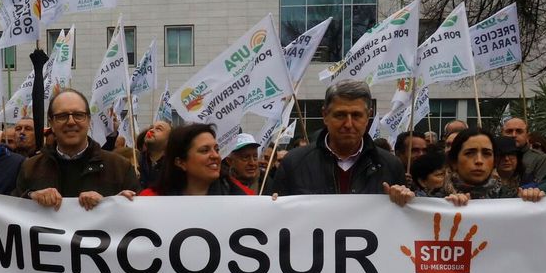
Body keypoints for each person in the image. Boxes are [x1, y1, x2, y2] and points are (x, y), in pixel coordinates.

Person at [267, 81, 412, 205]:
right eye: (340, 115)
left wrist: (404, 200)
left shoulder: (390, 165)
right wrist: (273, 205)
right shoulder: (294, 163)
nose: (348, 124)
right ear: (325, 115)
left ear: (368, 116)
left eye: (356, 115)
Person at [14, 89, 140, 209]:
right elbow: (10, 212)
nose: (71, 122)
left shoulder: (120, 167)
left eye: (78, 115)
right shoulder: (30, 168)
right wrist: (31, 197)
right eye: (62, 116)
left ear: (89, 120)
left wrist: (112, 204)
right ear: (51, 123)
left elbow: (139, 218)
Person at [140, 124, 256, 197]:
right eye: (205, 150)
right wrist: (124, 205)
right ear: (180, 162)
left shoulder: (244, 197)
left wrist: (271, 205)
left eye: (216, 149)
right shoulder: (151, 199)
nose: (215, 155)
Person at [431, 127, 523, 202]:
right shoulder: (433, 200)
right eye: (469, 153)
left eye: (487, 154)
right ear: (454, 161)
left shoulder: (511, 198)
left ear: (494, 161)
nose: (479, 160)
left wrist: (532, 201)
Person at [500, 116, 546, 182]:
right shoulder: (493, 158)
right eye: (509, 131)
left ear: (527, 136)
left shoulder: (540, 159)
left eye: (519, 131)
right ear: (502, 134)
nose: (514, 135)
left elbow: (544, 187)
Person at [138, 120, 171, 188]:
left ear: (169, 140)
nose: (151, 130)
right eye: (151, 128)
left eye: (159, 129)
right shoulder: (135, 161)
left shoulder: (173, 165)